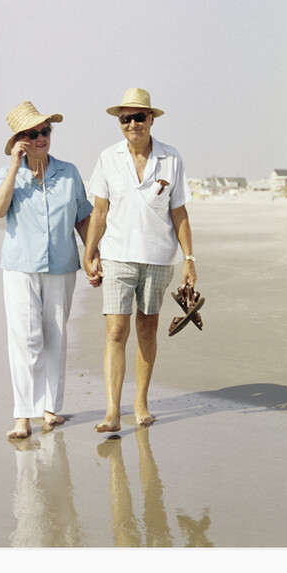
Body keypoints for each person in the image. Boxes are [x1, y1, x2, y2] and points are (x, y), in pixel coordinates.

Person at [83, 87, 197, 433]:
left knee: (147, 328)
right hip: (117, 255)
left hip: (158, 257)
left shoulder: (171, 158)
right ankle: (112, 412)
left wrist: (189, 258)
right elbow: (99, 212)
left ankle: (141, 403)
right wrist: (89, 253)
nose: (133, 124)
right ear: (120, 122)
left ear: (151, 119)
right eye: (126, 118)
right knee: (116, 329)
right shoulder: (108, 157)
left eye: (139, 117)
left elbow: (179, 212)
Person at [0, 101, 94, 440]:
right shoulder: (8, 174)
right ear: (20, 140)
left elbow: (84, 218)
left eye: (45, 131)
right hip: (20, 267)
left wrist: (93, 255)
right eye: (32, 134)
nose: (41, 138)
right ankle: (23, 415)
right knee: (26, 338)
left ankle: (50, 408)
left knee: (55, 337)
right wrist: (14, 166)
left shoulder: (69, 173)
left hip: (62, 265)